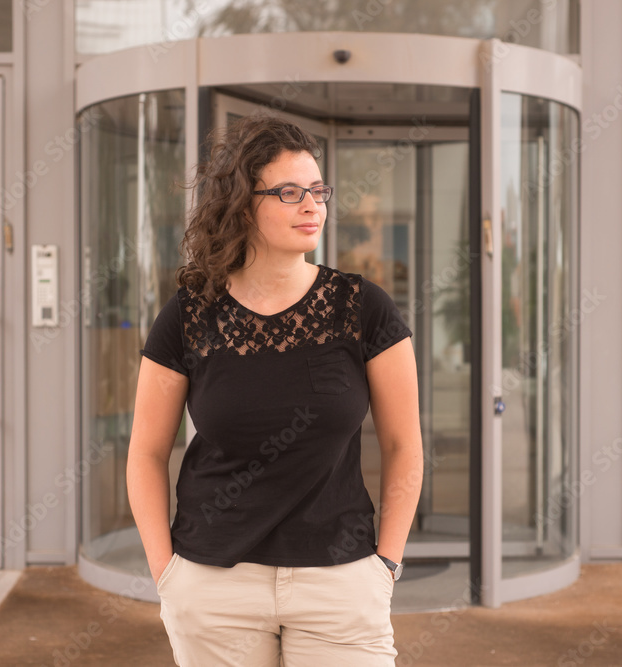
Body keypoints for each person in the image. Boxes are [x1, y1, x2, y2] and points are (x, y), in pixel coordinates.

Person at [125, 113, 424, 667]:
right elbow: (145, 451)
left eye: (318, 190)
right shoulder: (189, 315)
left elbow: (404, 445)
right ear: (244, 206)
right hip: (214, 584)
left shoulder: (364, 308)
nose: (312, 206)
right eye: (289, 192)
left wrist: (386, 564)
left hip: (340, 581)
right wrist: (166, 572)